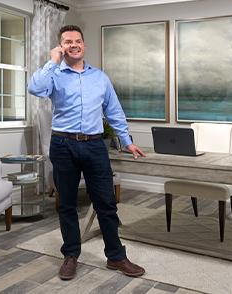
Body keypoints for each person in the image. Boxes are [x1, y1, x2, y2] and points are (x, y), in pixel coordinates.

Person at [27, 25, 147, 280]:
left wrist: (127, 142)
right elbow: (34, 89)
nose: (74, 44)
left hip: (94, 146)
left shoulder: (100, 78)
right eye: (68, 41)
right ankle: (70, 255)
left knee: (106, 204)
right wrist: (52, 61)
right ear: (61, 47)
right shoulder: (54, 74)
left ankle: (116, 257)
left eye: (78, 40)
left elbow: (114, 111)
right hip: (63, 145)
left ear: (84, 45)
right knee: (67, 205)